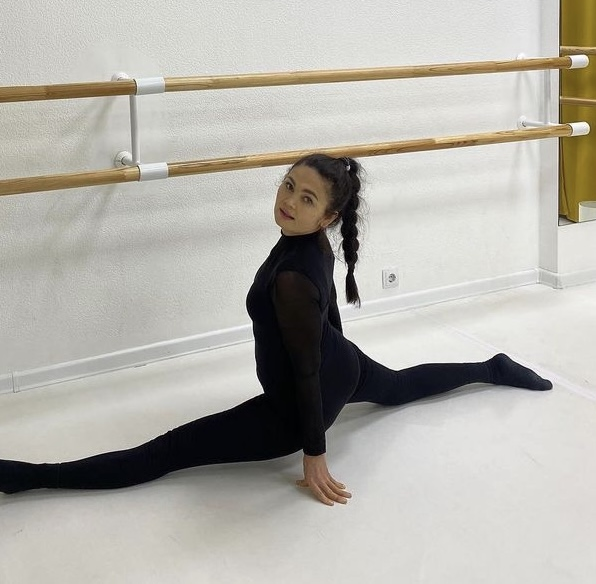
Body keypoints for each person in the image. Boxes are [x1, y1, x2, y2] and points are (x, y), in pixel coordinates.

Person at [0, 154, 552, 505]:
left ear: (327, 217)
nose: (288, 201)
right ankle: (492, 367)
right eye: (288, 186)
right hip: (343, 361)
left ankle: (26, 476)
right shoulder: (310, 242)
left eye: (306, 198)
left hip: (299, 404)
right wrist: (347, 359)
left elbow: (306, 370)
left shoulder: (292, 278)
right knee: (401, 385)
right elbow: (326, 321)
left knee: (165, 452)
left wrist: (314, 450)